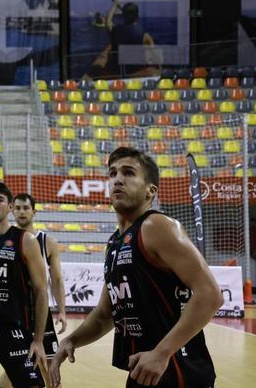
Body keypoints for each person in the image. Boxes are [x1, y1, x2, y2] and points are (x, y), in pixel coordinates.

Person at [50, 147, 219, 388]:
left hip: (177, 369)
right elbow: (104, 315)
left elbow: (210, 295)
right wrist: (71, 340)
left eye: (128, 172)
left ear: (150, 190)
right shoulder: (114, 243)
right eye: (112, 173)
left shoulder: (157, 226)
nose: (118, 179)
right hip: (144, 367)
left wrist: (161, 353)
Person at [0, 182, 51, 388]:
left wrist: (38, 340)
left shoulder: (26, 241)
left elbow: (41, 290)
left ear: (10, 207)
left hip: (13, 330)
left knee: (32, 384)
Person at [12, 192, 67, 363]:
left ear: (34, 212)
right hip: (14, 312)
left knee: (49, 364)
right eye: (18, 208)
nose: (22, 212)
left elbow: (57, 280)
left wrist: (62, 311)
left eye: (26, 208)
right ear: (12, 211)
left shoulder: (48, 242)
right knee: (18, 365)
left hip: (39, 311)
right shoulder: (6, 240)